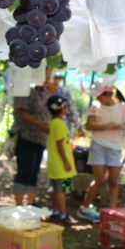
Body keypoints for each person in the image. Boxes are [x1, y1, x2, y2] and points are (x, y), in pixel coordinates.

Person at [77, 86, 125, 222]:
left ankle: (113, 212)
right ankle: (85, 207)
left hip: (115, 147)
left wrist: (122, 126)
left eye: (99, 96)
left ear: (107, 95)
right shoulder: (95, 107)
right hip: (98, 145)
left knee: (113, 181)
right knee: (99, 179)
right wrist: (107, 126)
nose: (97, 99)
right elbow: (89, 126)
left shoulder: (122, 108)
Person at [11, 70, 61, 205]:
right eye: (45, 74)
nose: (47, 78)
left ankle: (31, 202)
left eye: (49, 75)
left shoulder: (45, 91)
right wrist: (39, 124)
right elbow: (20, 111)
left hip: (41, 139)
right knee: (24, 172)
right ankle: (19, 204)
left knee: (34, 173)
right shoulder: (25, 89)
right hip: (27, 137)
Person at [45, 95, 77, 227]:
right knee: (61, 190)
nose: (68, 108)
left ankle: (56, 212)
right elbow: (59, 145)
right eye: (66, 106)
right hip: (61, 166)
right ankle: (63, 215)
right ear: (62, 108)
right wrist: (66, 161)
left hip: (54, 164)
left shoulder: (53, 123)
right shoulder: (59, 124)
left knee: (56, 189)